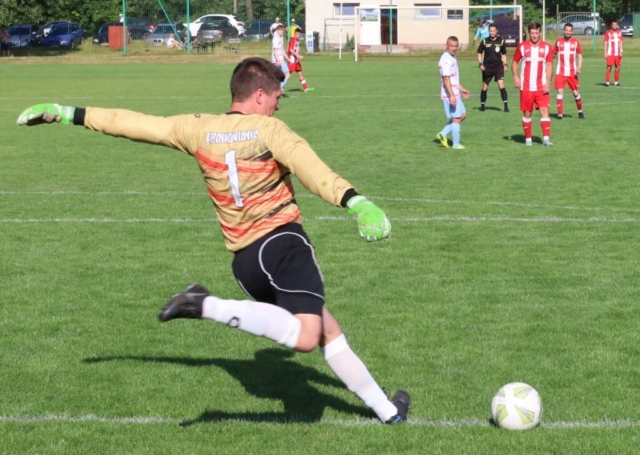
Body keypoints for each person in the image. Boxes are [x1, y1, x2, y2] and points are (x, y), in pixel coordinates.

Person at [15, 57, 410, 425]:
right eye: (276, 97)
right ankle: (205, 304)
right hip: (281, 244)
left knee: (326, 328)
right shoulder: (270, 130)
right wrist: (356, 201)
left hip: (246, 264)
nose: (278, 105)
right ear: (259, 95)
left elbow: (134, 123)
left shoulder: (198, 128)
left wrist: (67, 113)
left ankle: (388, 411)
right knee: (307, 337)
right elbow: (311, 169)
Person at [512, 22, 554, 147]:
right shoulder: (522, 46)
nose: (534, 35)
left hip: (541, 86)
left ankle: (546, 139)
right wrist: (515, 76)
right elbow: (515, 62)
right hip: (526, 87)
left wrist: (548, 83)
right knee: (527, 113)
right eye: (532, 33)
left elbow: (549, 65)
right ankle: (528, 140)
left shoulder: (547, 47)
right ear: (529, 33)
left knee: (544, 110)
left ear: (540, 33)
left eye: (536, 33)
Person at [436, 36, 470, 150]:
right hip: (450, 94)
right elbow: (446, 79)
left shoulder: (452, 57)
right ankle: (456, 144)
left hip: (455, 93)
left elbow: (453, 78)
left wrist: (461, 88)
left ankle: (442, 134)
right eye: (451, 46)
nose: (454, 48)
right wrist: (451, 96)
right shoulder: (446, 60)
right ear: (446, 45)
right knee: (456, 118)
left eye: (456, 46)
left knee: (462, 115)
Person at [553, 23, 585, 120]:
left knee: (575, 93)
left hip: (572, 72)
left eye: (569, 31)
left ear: (572, 32)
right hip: (560, 71)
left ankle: (580, 112)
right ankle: (560, 114)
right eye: (566, 30)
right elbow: (553, 54)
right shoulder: (558, 41)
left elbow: (580, 56)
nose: (567, 32)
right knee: (560, 91)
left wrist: (579, 67)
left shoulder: (576, 42)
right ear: (564, 31)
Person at [476, 23, 509, 112]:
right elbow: (479, 53)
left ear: (497, 31)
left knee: (501, 85)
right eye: (490, 31)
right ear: (489, 31)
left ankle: (506, 107)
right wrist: (480, 64)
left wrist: (505, 64)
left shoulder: (501, 41)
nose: (492, 32)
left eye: (494, 31)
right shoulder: (484, 41)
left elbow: (504, 54)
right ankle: (482, 106)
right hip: (487, 67)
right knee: (485, 87)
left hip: (498, 66)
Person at [288, 28, 314, 92]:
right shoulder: (293, 40)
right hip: (292, 61)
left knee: (300, 74)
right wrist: (299, 56)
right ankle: (280, 88)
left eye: (299, 34)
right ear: (294, 34)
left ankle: (306, 88)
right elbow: (290, 50)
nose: (298, 35)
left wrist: (298, 55)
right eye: (297, 34)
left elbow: (296, 50)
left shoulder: (297, 41)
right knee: (288, 75)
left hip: (296, 61)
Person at [604, 20, 623, 87]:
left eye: (616, 25)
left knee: (617, 68)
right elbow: (605, 43)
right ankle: (607, 82)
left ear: (617, 25)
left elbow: (620, 42)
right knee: (609, 68)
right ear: (611, 25)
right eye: (613, 25)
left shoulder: (619, 32)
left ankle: (616, 82)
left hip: (617, 54)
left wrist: (621, 51)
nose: (614, 26)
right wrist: (605, 52)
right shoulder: (608, 32)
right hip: (610, 53)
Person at [272, 24, 290, 91]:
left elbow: (282, 50)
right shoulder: (276, 39)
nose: (282, 31)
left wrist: (288, 59)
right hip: (278, 61)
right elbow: (275, 50)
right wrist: (278, 60)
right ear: (277, 31)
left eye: (283, 30)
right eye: (280, 30)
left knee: (278, 77)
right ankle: (279, 88)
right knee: (287, 75)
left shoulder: (281, 38)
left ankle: (278, 88)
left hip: (280, 60)